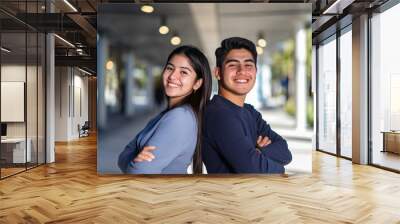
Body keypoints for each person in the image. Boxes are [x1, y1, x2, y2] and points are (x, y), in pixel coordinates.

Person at [202, 37, 292, 174]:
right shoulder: (218, 114)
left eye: (248, 65)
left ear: (256, 71)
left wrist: (258, 152)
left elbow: (285, 152)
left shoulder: (250, 111)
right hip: (229, 194)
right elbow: (253, 168)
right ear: (218, 73)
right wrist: (280, 168)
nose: (242, 71)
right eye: (232, 65)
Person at [118, 45, 212, 174]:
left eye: (184, 72)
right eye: (170, 68)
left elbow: (138, 172)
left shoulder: (180, 118)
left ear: (197, 83)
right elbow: (121, 157)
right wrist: (133, 158)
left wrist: (133, 156)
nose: (173, 76)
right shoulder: (167, 114)